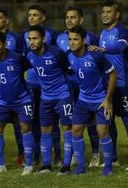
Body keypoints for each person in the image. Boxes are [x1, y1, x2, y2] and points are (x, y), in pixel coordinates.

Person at [88, 0, 128, 170]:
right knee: (109, 122)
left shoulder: (123, 30)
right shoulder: (102, 33)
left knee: (127, 120)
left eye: (108, 12)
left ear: (116, 14)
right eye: (103, 11)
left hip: (123, 84)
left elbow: (120, 47)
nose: (104, 14)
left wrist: (103, 50)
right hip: (107, 86)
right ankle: (114, 158)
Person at [67, 25, 117, 176]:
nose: (72, 42)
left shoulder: (96, 55)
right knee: (75, 131)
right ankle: (81, 168)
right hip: (83, 100)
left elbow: (113, 74)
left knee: (102, 132)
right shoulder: (69, 55)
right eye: (70, 39)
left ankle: (108, 167)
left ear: (83, 40)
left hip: (100, 100)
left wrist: (108, 100)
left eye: (75, 39)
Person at [56, 6, 101, 167]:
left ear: (81, 20)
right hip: (67, 88)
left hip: (88, 88)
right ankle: (74, 153)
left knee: (92, 122)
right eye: (67, 17)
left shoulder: (93, 37)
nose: (69, 20)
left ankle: (96, 153)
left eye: (73, 17)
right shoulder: (59, 38)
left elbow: (102, 60)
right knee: (69, 122)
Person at [26, 25, 73, 175]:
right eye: (29, 39)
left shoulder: (56, 53)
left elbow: (70, 71)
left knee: (67, 129)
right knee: (45, 130)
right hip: (45, 99)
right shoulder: (30, 56)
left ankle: (66, 165)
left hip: (62, 96)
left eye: (35, 38)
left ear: (43, 39)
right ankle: (46, 165)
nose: (31, 42)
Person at [0, 31, 35, 176]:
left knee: (25, 128)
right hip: (3, 101)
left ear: (5, 44)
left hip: (23, 99)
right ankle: (1, 165)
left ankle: (29, 164)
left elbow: (30, 66)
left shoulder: (17, 58)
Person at [0, 7, 25, 165]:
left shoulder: (16, 38)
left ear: (7, 20)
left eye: (0, 18)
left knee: (17, 122)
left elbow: (22, 61)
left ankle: (22, 154)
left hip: (13, 89)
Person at [22, 4, 61, 166]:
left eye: (35, 15)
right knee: (35, 121)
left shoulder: (53, 34)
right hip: (32, 84)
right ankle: (37, 155)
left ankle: (58, 155)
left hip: (50, 86)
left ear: (43, 18)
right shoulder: (25, 35)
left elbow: (58, 57)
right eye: (29, 14)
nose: (31, 17)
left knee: (53, 122)